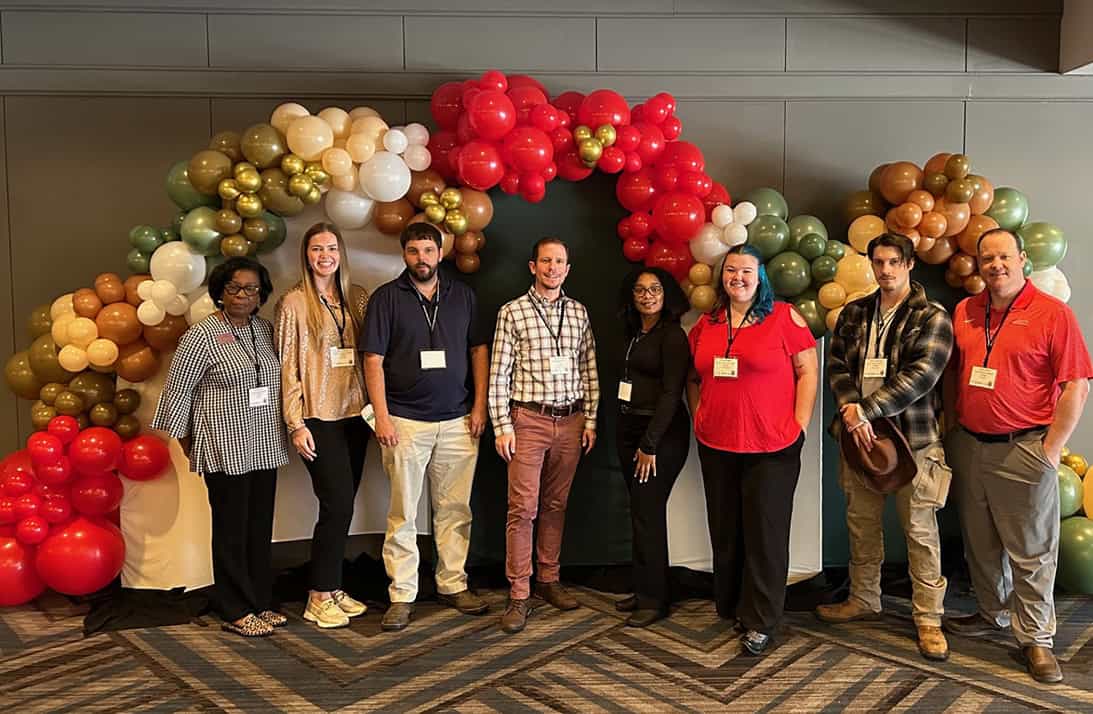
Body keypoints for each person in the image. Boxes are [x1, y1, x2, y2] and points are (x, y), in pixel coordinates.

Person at [943, 228, 1091, 684]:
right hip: (971, 445)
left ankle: (1037, 639)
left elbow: (1076, 384)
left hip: (1025, 448)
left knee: (1032, 551)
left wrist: (1050, 451)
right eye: (987, 259)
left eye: (1004, 257)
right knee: (980, 541)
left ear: (1022, 259)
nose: (996, 266)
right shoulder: (966, 310)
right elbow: (955, 373)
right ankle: (992, 613)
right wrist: (953, 426)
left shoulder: (1052, 314)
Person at [817, 233, 954, 661]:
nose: (886, 270)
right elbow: (837, 365)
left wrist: (864, 411)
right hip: (860, 441)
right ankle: (864, 598)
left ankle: (929, 618)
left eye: (895, 262)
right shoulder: (856, 312)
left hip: (914, 441)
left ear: (910, 264)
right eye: (879, 262)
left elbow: (922, 376)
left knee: (920, 531)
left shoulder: (932, 316)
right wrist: (849, 410)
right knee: (861, 522)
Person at [687, 244, 818, 655]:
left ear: (760, 276)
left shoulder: (783, 317)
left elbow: (808, 370)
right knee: (727, 530)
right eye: (730, 271)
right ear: (721, 277)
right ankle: (731, 607)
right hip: (717, 443)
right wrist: (698, 416)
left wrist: (799, 424)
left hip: (772, 445)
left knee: (765, 534)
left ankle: (762, 619)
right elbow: (693, 376)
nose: (737, 278)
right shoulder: (708, 323)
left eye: (746, 271)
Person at [152, 257, 289, 638]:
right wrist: (188, 444)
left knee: (259, 526)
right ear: (219, 291)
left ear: (261, 294)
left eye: (251, 289)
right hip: (223, 445)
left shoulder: (264, 330)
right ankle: (233, 606)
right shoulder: (201, 335)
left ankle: (260, 600)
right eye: (234, 288)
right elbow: (177, 392)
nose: (242, 295)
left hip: (263, 443)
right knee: (231, 529)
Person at [362, 222, 490, 631]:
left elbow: (478, 351)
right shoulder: (386, 299)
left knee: (455, 509)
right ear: (405, 255)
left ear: (440, 253)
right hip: (403, 422)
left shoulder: (463, 296)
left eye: (429, 251)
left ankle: (452, 584)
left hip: (458, 420)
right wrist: (381, 416)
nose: (422, 259)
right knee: (404, 512)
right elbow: (373, 361)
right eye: (414, 251)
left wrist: (480, 408)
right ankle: (402, 593)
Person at [489, 237, 600, 634]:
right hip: (528, 421)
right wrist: (501, 426)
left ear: (568, 269)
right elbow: (498, 373)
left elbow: (589, 367)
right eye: (546, 261)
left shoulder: (579, 313)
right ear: (532, 266)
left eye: (560, 262)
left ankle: (548, 580)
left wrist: (591, 420)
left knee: (556, 504)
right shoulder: (512, 313)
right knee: (523, 509)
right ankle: (519, 593)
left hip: (571, 420)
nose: (553, 267)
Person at [274, 223, 370, 629]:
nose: (325, 255)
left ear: (341, 252)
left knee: (343, 504)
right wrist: (295, 423)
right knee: (337, 504)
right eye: (316, 249)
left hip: (355, 416)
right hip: (318, 417)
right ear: (306, 254)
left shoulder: (356, 297)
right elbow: (286, 368)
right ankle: (317, 594)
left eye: (331, 247)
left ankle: (332, 587)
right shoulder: (293, 304)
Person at [613, 267, 692, 628]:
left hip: (660, 436)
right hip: (628, 427)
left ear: (667, 294)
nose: (647, 295)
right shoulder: (634, 332)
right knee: (640, 514)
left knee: (648, 514)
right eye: (640, 290)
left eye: (655, 289)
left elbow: (672, 394)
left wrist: (650, 444)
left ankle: (655, 600)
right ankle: (644, 587)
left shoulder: (672, 336)